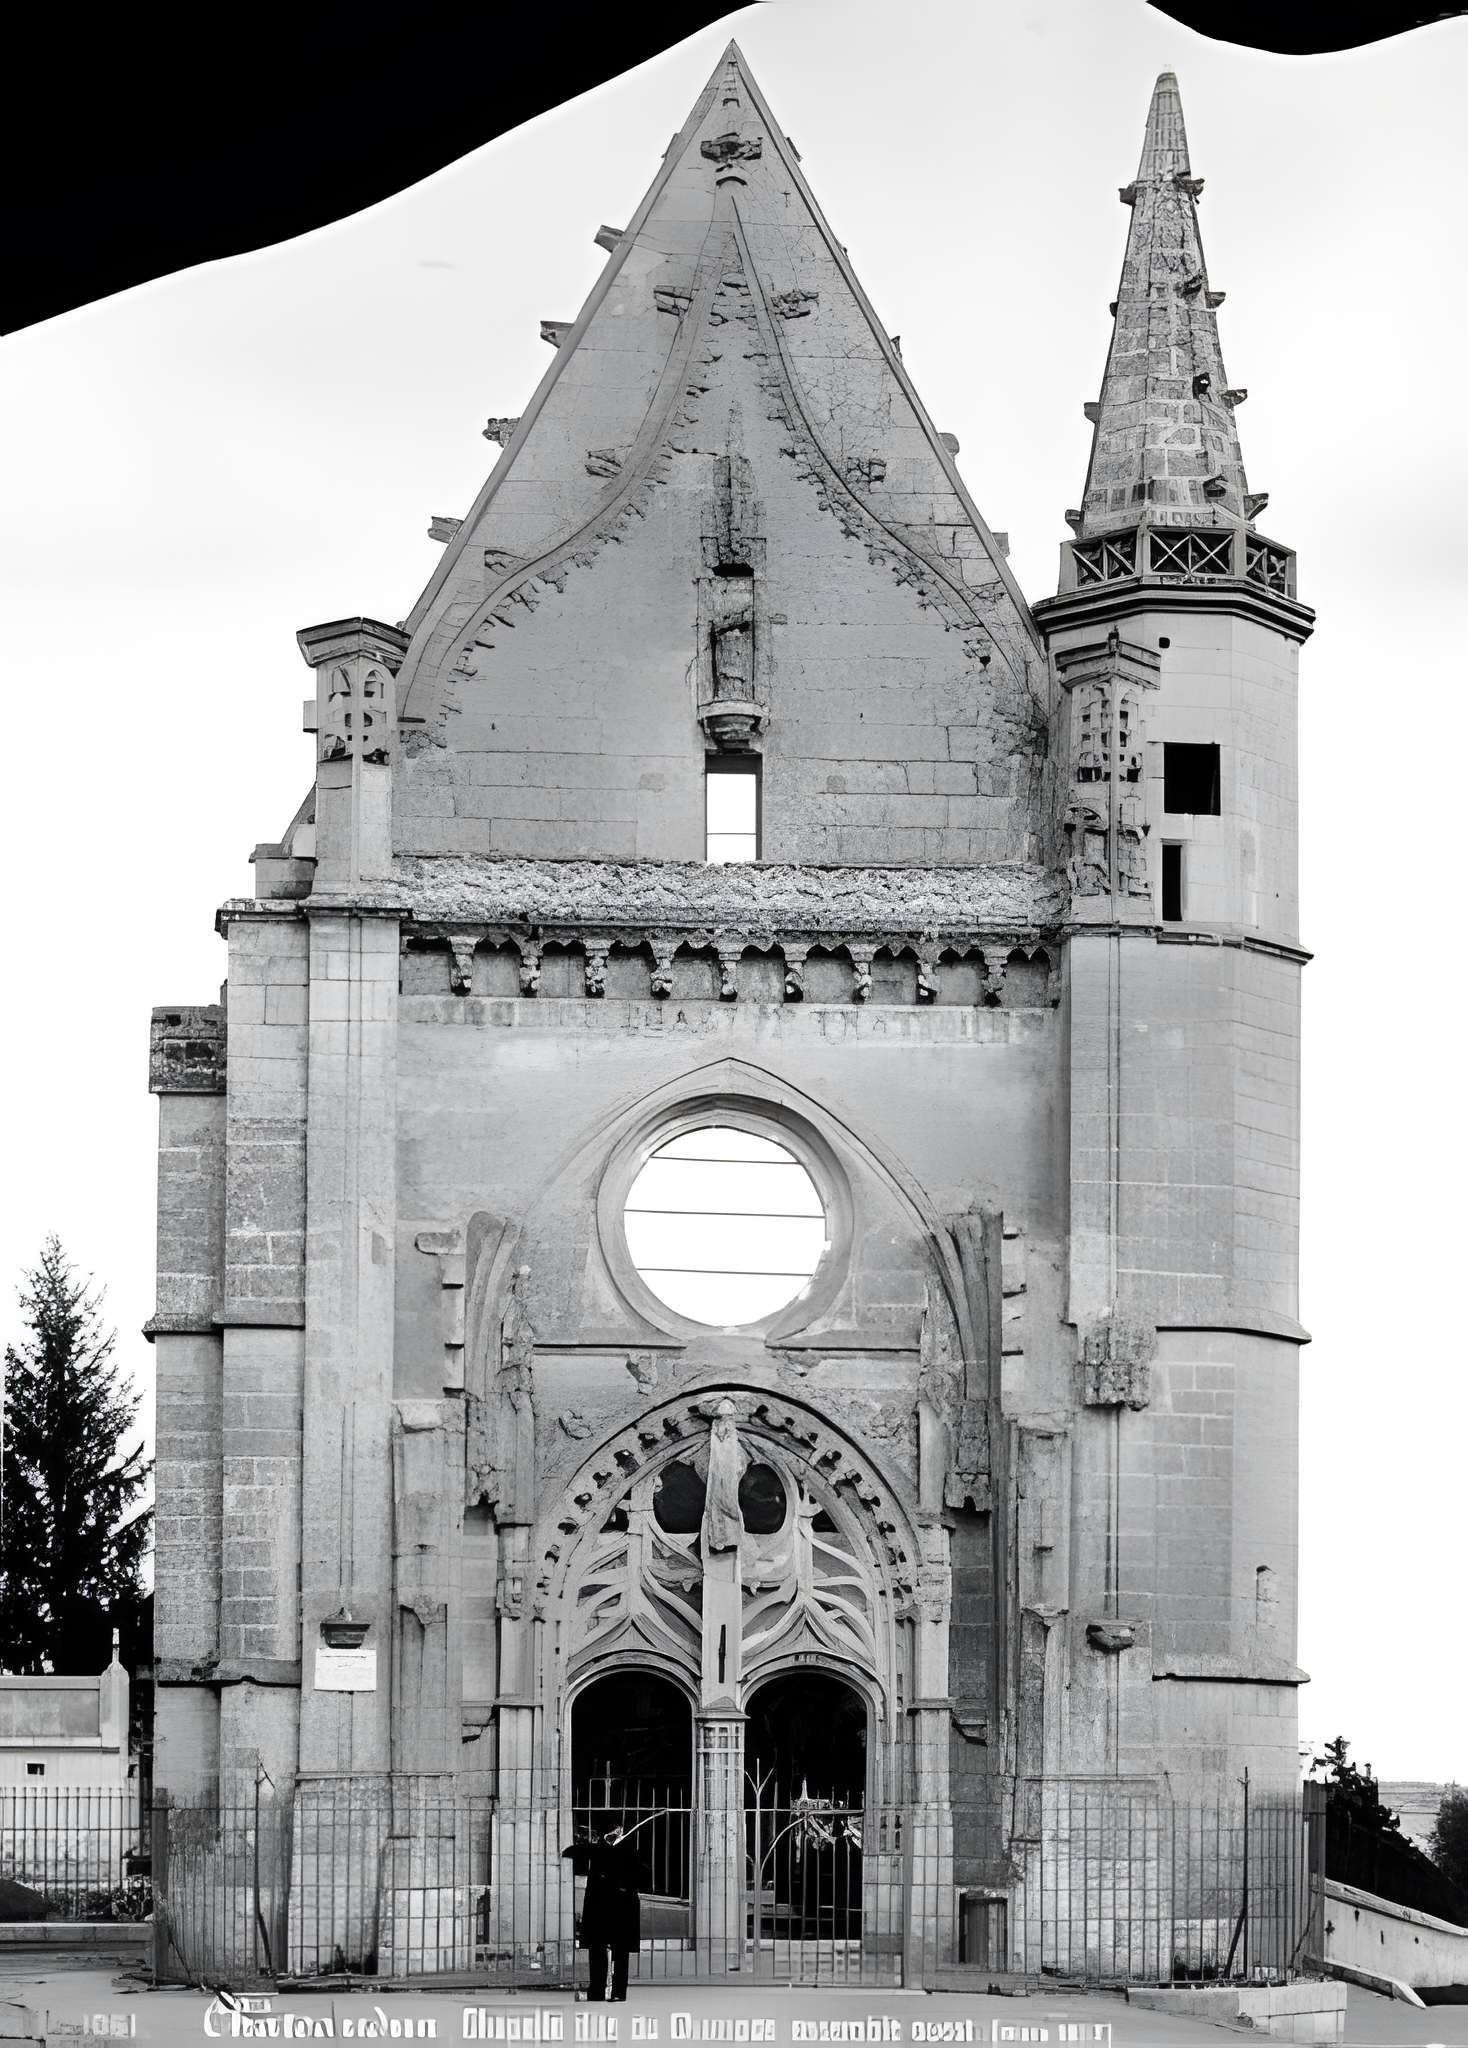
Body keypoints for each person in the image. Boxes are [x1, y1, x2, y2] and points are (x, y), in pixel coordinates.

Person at [561, 1821, 641, 2000]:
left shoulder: (628, 1850)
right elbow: (582, 1853)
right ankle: (596, 1991)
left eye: (618, 1830)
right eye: (613, 1830)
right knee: (597, 1950)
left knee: (620, 1953)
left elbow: (637, 1876)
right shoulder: (598, 1849)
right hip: (600, 1908)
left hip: (621, 1909)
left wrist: (623, 1886)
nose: (616, 1833)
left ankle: (618, 1992)